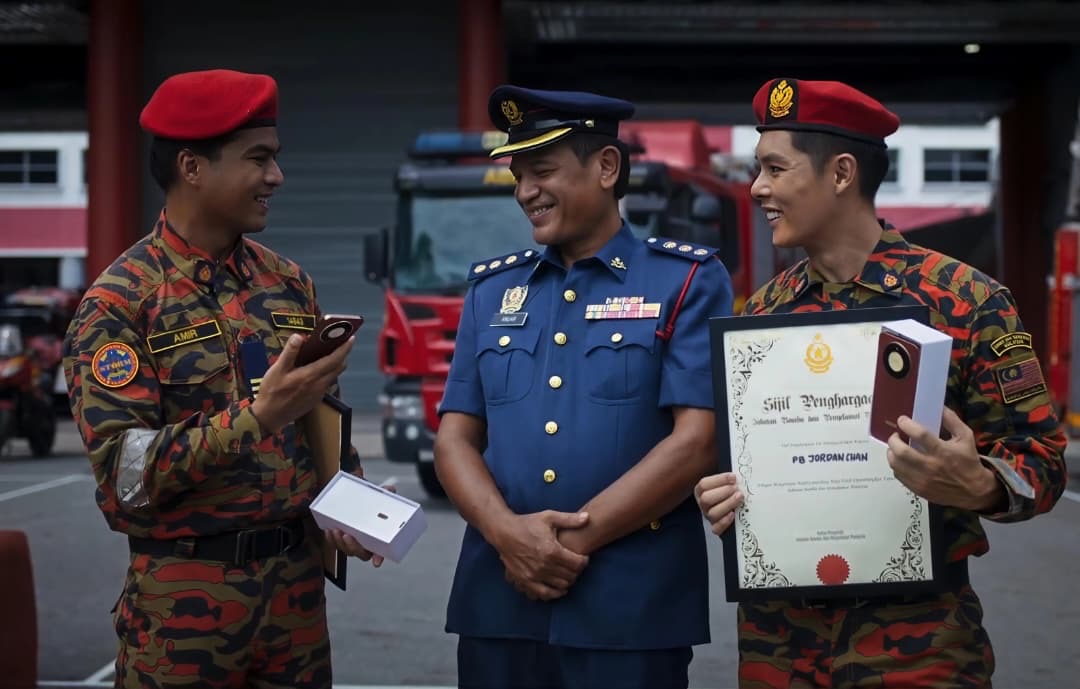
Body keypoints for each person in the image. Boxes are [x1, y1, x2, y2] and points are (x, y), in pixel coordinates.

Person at [694, 77, 1068, 688]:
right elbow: (743, 468)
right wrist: (728, 496)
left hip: (918, 652)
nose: (756, 187)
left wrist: (979, 485)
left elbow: (1045, 463)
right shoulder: (759, 320)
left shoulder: (969, 302)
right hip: (778, 653)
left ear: (841, 174)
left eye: (774, 169)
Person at [63, 69, 380, 689]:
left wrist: (354, 501)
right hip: (184, 607)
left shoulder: (288, 284)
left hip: (295, 599)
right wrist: (259, 415)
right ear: (193, 167)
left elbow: (321, 419)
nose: (276, 178)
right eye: (258, 159)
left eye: (275, 159)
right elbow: (127, 477)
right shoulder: (120, 304)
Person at [433, 85, 734, 689]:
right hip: (500, 606)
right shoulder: (492, 291)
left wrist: (559, 546)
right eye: (518, 176)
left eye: (541, 171)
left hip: (631, 610)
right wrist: (509, 539)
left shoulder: (685, 280)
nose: (525, 193)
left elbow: (697, 440)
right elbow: (453, 441)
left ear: (606, 167)